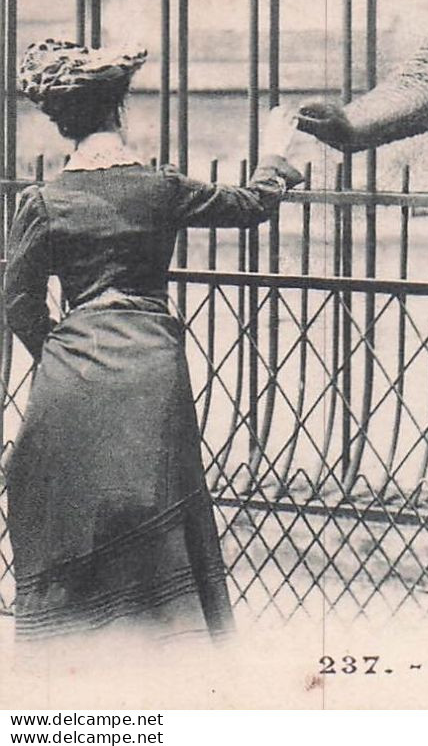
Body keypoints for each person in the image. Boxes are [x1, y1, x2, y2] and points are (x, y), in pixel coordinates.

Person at [3, 39, 304, 644]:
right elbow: (252, 204)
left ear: (64, 123)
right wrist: (276, 150)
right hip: (150, 364)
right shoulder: (159, 188)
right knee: (152, 501)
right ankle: (164, 642)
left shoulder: (42, 201)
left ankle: (77, 644)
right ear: (120, 111)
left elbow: (18, 300)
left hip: (72, 369)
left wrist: (61, 351)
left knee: (76, 501)